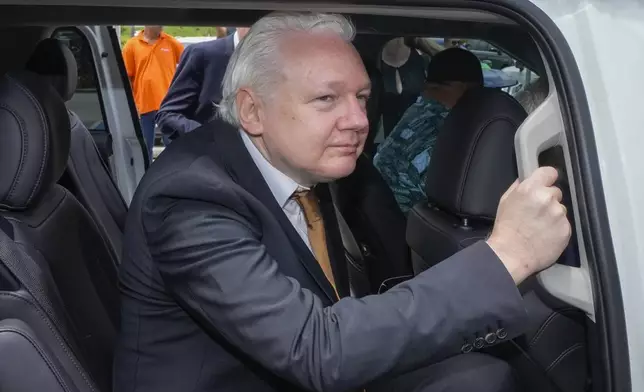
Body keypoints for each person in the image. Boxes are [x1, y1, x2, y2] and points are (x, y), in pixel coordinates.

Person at [114, 12, 571, 392]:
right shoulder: (192, 195)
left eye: (362, 97)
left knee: (483, 377)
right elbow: (316, 350)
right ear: (252, 110)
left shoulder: (299, 164)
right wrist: (507, 253)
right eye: (327, 98)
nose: (357, 120)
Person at [373, 47, 484, 214]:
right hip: (416, 229)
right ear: (466, 88)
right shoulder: (451, 125)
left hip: (388, 221)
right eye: (479, 90)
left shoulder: (418, 109)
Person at [154, 26, 250, 144]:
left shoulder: (275, 60)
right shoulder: (204, 54)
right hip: (209, 156)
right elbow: (167, 115)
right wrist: (207, 136)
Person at [122, 25, 184, 160]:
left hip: (168, 105)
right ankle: (146, 177)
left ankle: (174, 176)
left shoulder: (171, 43)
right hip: (143, 104)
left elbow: (187, 62)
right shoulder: (132, 45)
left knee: (173, 146)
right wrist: (129, 103)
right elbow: (126, 77)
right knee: (145, 147)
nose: (162, 25)